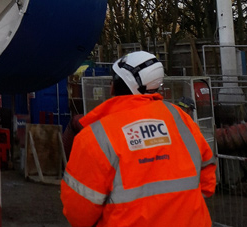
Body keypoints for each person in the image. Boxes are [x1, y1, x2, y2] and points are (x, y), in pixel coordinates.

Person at [61, 51, 215, 226]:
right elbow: (207, 181)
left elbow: (78, 212)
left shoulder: (96, 136)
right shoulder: (181, 119)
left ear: (114, 87)